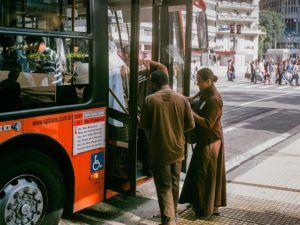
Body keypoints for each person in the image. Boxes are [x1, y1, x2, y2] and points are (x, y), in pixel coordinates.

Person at [140, 69, 195, 225]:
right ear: (167, 81)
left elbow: (143, 125)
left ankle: (169, 220)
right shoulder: (181, 99)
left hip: (159, 150)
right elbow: (190, 125)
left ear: (154, 83)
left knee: (164, 187)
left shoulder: (150, 100)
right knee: (175, 183)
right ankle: (173, 214)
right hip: (178, 148)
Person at [179, 67, 227, 218]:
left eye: (199, 81)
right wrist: (180, 99)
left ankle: (207, 207)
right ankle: (198, 202)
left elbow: (208, 123)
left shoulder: (214, 99)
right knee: (199, 171)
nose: (197, 84)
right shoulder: (204, 92)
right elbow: (192, 99)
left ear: (209, 81)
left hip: (211, 141)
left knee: (206, 173)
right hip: (203, 139)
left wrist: (191, 114)